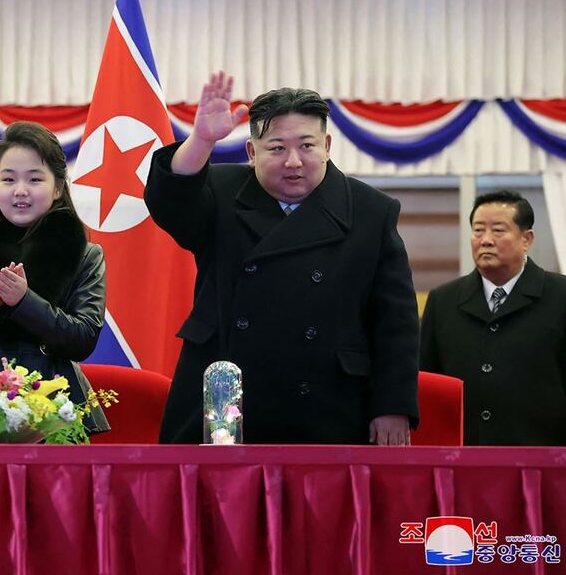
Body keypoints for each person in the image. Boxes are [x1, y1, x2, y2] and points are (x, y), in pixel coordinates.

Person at [145, 71, 419, 445]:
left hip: (328, 399)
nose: (293, 161)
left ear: (327, 145)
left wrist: (393, 405)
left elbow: (395, 322)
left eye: (307, 146)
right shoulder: (220, 193)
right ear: (252, 151)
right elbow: (170, 202)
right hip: (225, 397)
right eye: (276, 148)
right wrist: (202, 140)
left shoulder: (372, 211)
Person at [0, 121, 110, 434]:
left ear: (57, 188)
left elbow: (83, 339)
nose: (20, 190)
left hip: (57, 410)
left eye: (35, 179)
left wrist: (24, 301)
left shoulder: (85, 255)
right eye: (8, 179)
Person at [420, 190, 566, 445]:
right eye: (478, 231)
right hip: (463, 456)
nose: (485, 240)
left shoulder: (560, 296)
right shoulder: (443, 301)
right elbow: (427, 382)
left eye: (498, 231)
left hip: (545, 457)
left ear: (527, 240)